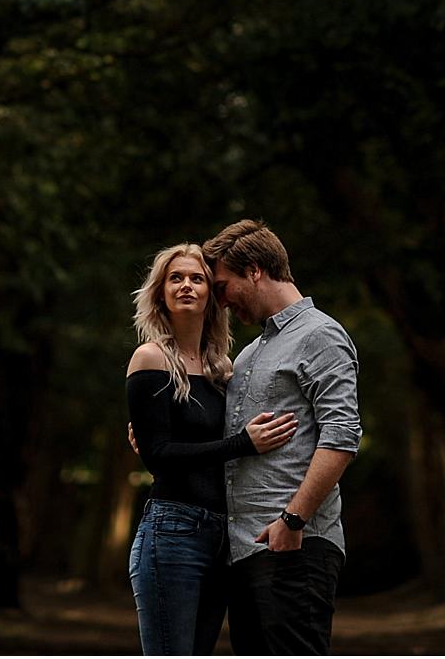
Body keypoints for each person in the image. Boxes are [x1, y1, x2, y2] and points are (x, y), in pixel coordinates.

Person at [126, 243, 299, 656]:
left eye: (197, 278)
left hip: (225, 535)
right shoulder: (149, 359)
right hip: (173, 531)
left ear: (211, 294)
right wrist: (242, 444)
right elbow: (158, 456)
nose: (186, 285)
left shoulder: (225, 369)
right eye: (176, 278)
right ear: (160, 293)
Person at [204, 219, 362, 656]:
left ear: (254, 270)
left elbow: (343, 434)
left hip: (296, 546)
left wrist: (293, 521)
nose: (219, 301)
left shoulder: (321, 335)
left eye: (222, 286)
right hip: (245, 552)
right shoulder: (251, 352)